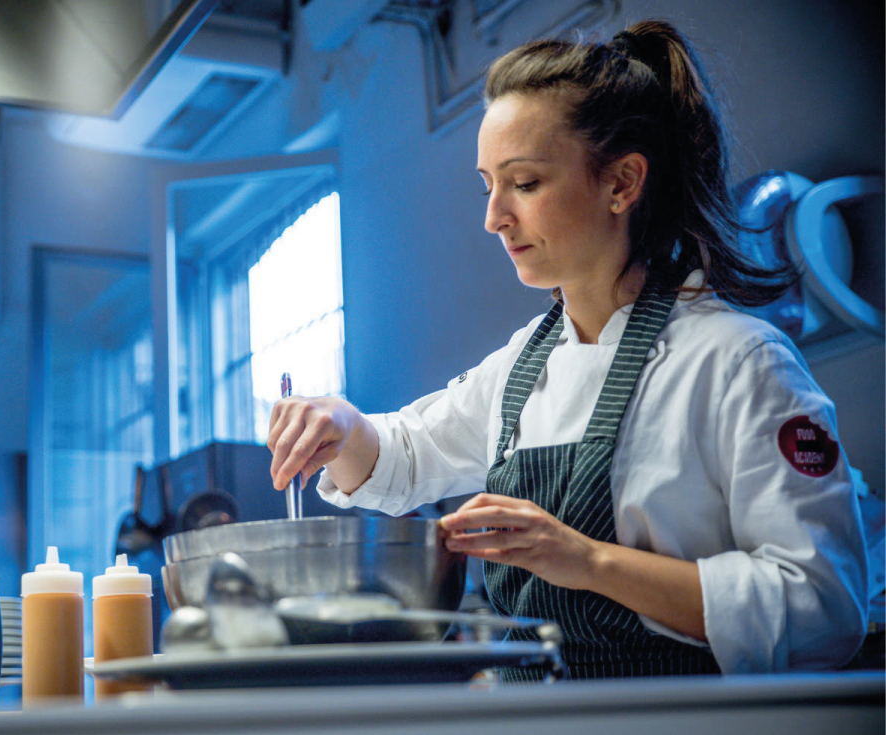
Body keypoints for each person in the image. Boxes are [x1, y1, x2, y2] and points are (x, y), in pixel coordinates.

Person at [266, 20, 869, 679]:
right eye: (487, 185)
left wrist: (587, 561)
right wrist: (341, 425)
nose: (494, 217)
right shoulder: (521, 370)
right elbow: (405, 456)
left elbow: (821, 611)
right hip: (537, 734)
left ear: (621, 183)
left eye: (523, 184)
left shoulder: (738, 361)